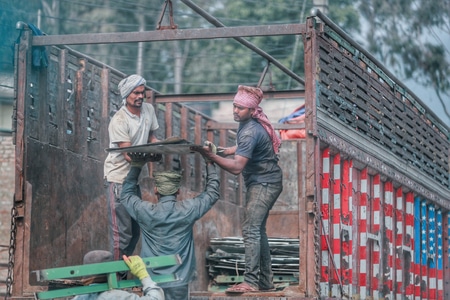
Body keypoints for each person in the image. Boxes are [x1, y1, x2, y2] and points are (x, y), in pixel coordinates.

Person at [191, 85, 283, 293]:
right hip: (264, 181)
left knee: (251, 229)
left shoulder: (250, 130)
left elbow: (236, 167)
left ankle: (250, 282)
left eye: (240, 108)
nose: (235, 110)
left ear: (251, 110)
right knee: (258, 230)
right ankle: (266, 282)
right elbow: (242, 149)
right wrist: (224, 150)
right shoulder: (247, 123)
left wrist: (212, 157)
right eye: (234, 106)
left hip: (264, 184)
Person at [119, 147, 220, 300]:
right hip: (179, 280)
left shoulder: (144, 211)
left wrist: (136, 166)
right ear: (178, 190)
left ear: (155, 189)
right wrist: (209, 162)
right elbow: (212, 193)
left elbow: (126, 195)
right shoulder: (188, 209)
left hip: (150, 279)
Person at [103, 74, 161, 263]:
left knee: (136, 231)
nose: (140, 96)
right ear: (126, 94)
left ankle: (123, 272)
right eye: (136, 92)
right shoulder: (119, 120)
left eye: (142, 92)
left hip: (133, 180)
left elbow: (152, 137)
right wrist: (148, 157)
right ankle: (116, 278)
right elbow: (128, 155)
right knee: (122, 234)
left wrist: (160, 147)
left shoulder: (149, 110)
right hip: (118, 179)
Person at [73, 250, 164, 300]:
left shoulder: (79, 297)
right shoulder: (116, 296)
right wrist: (144, 276)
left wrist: (133, 290)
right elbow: (156, 298)